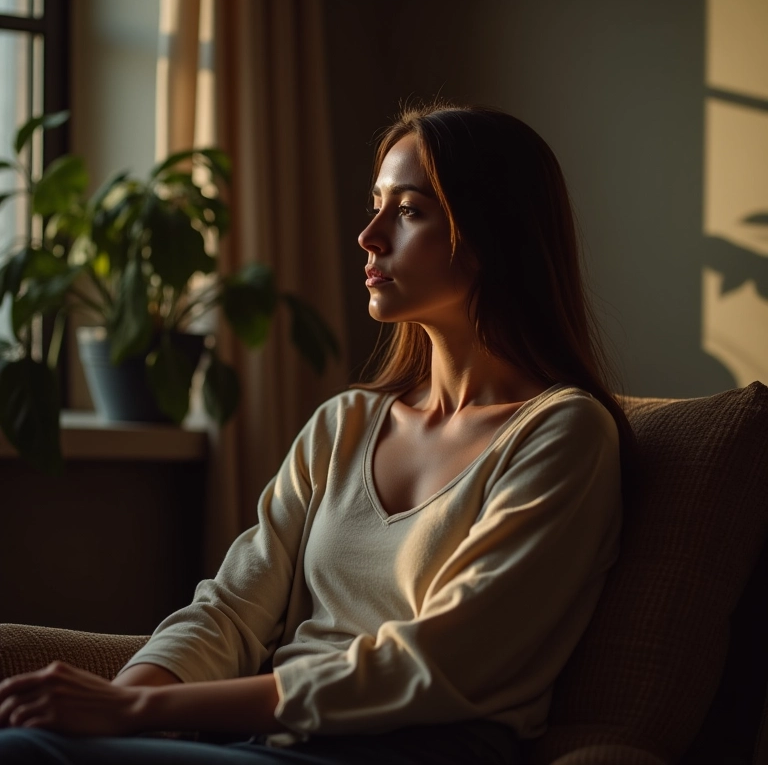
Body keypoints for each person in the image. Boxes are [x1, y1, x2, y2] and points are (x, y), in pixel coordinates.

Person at [0, 103, 630, 765]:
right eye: (376, 203)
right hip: (266, 741)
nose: (369, 235)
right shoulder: (346, 423)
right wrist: (119, 706)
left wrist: (141, 709)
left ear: (494, 236)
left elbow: (431, 666)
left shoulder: (563, 434)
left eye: (409, 211)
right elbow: (230, 609)